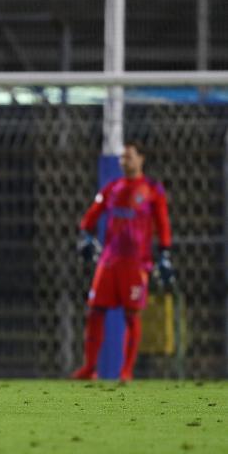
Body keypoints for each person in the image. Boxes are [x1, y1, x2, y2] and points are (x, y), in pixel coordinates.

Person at [72, 141, 174, 381]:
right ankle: (89, 368)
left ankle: (126, 370)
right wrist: (85, 236)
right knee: (95, 311)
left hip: (136, 262)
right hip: (109, 261)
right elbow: (90, 218)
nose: (124, 161)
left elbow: (163, 223)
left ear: (141, 159)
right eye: (122, 158)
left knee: (132, 315)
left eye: (129, 157)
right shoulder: (112, 188)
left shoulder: (152, 189)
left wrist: (165, 253)